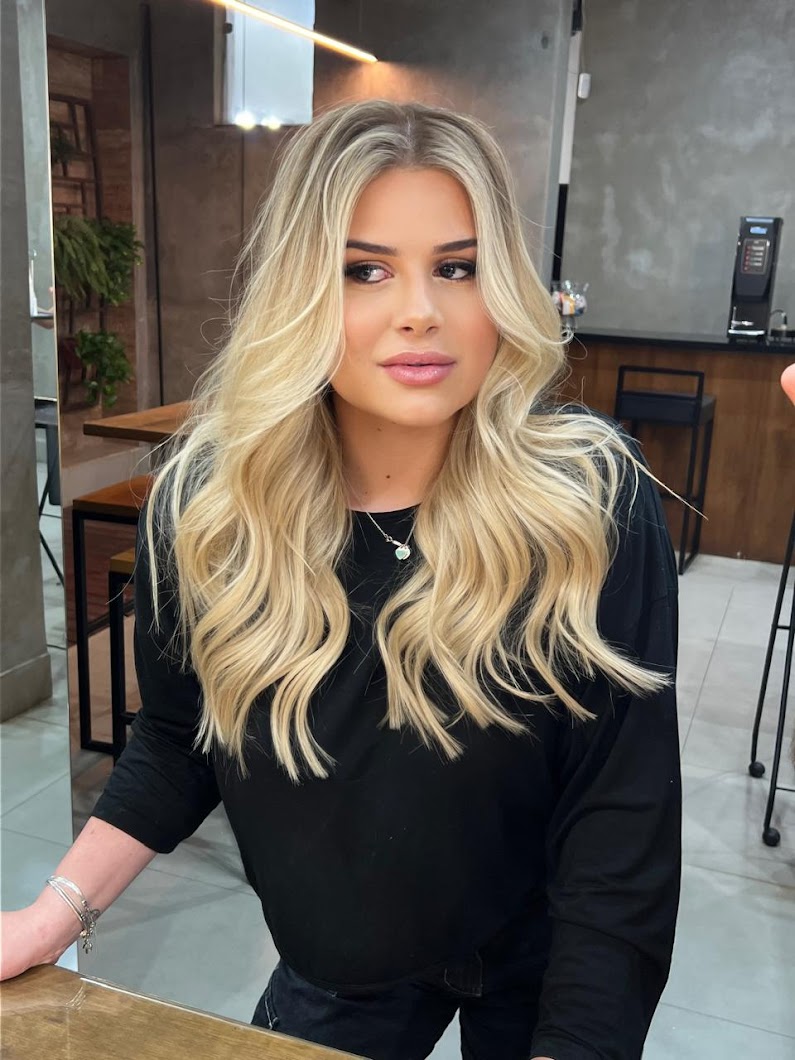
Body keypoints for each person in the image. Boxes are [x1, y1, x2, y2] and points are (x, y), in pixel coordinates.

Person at [1, 100, 681, 1060]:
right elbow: (182, 736)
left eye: (458, 267)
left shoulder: (587, 500)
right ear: (299, 291)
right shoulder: (210, 510)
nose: (420, 310)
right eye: (365, 269)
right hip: (343, 957)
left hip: (540, 946)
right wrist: (55, 913)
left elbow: (619, 825)